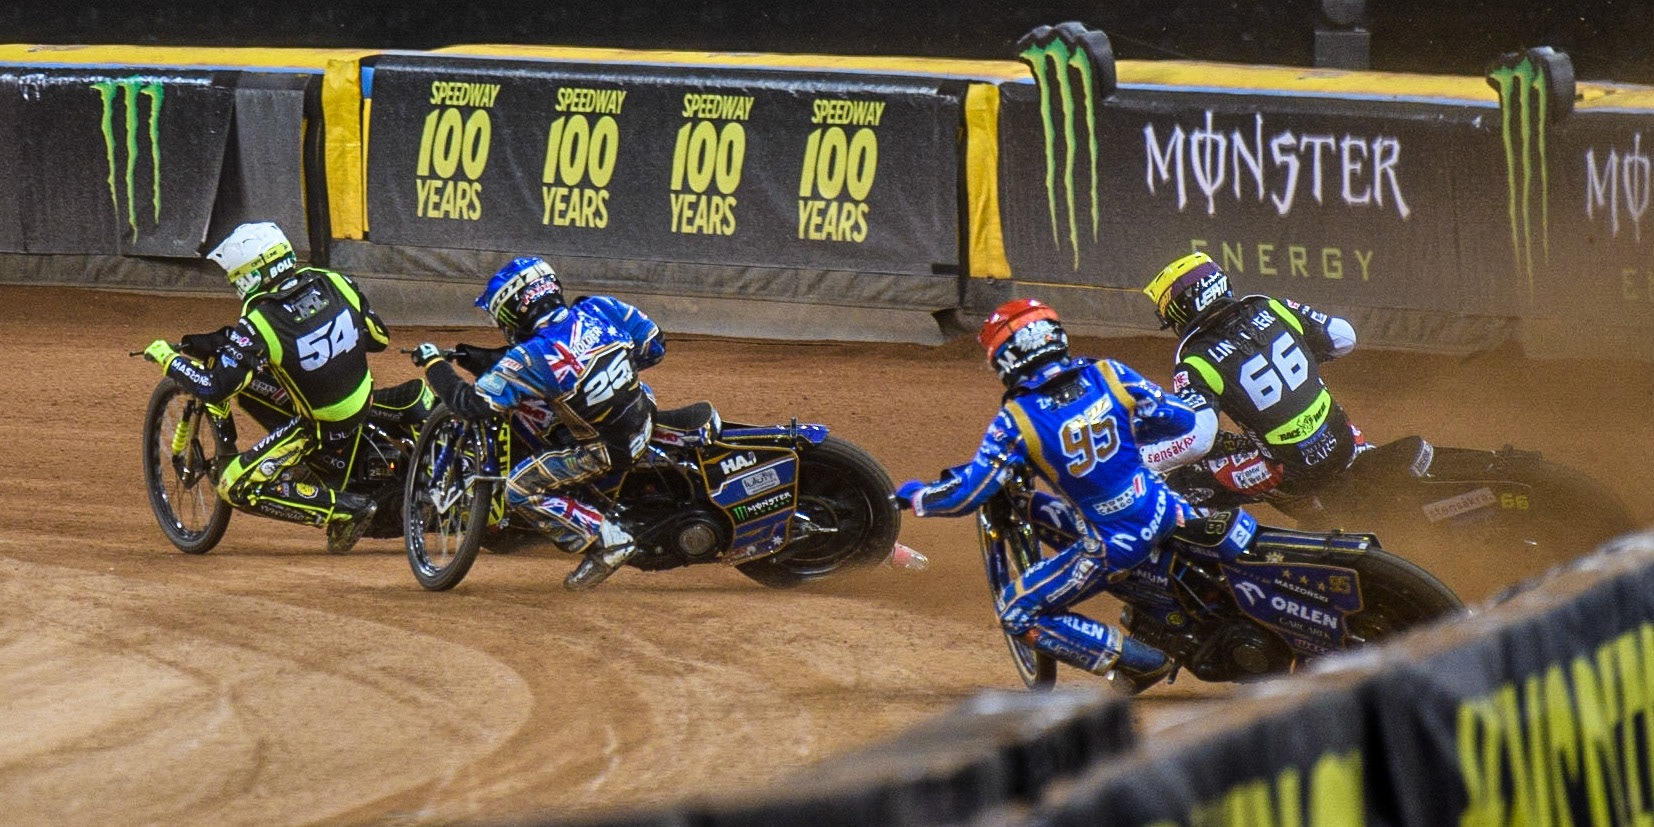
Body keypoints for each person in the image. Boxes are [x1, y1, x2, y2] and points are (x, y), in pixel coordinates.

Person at [893, 298, 1212, 694]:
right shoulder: (1109, 373)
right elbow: (1179, 419)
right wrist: (1124, 435)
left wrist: (918, 498)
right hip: (1167, 509)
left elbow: (971, 493)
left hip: (1115, 544)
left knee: (1017, 611)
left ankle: (1142, 663)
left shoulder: (1018, 418)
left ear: (1008, 357)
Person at [410, 256, 665, 591]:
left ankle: (610, 540)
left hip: (605, 449)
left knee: (520, 488)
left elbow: (470, 405)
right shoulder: (598, 307)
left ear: (516, 308)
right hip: (644, 412)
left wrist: (432, 365)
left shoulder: (531, 357)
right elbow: (654, 345)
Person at [140, 221, 389, 553]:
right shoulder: (332, 280)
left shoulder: (261, 321)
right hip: (363, 396)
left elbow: (215, 388)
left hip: (322, 426)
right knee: (265, 377)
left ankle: (344, 510)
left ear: (250, 275)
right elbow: (378, 339)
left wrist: (168, 359)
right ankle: (313, 470)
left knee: (233, 486)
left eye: (235, 277)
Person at [1141, 251, 1367, 518]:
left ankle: (1227, 552)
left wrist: (1146, 459)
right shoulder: (1272, 307)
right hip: (1345, 442)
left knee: (1184, 484)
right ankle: (1320, 513)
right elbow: (1344, 338)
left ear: (1180, 309)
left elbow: (1199, 441)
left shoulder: (1196, 360)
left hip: (1292, 472)